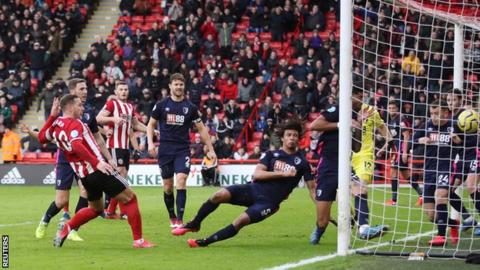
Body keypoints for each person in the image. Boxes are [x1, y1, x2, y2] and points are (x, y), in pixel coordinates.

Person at [171, 119, 315, 247]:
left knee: (240, 222)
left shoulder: (302, 162)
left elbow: (312, 189)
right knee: (218, 195)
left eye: (295, 135)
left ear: (298, 139)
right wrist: (283, 173)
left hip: (269, 203)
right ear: (283, 138)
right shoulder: (271, 155)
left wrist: (321, 206)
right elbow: (257, 174)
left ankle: (205, 242)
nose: (292, 138)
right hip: (252, 189)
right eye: (289, 135)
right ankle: (195, 224)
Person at [37, 94, 154, 248]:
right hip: (98, 171)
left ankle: (68, 227)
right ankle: (138, 241)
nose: (82, 108)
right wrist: (97, 162)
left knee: (95, 208)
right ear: (71, 107)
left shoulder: (56, 125)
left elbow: (41, 138)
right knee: (130, 198)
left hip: (84, 176)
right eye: (79, 105)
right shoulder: (75, 124)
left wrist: (52, 116)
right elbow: (78, 145)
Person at [30, 79, 115, 241]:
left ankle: (73, 229)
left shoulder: (88, 112)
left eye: (86, 88)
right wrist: (52, 116)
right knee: (61, 200)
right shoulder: (64, 113)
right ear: (72, 91)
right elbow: (44, 137)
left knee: (85, 191)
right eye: (81, 89)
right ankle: (45, 220)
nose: (85, 91)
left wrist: (109, 158)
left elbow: (98, 138)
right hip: (65, 158)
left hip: (84, 161)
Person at [146, 73, 217, 228]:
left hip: (182, 150)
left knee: (181, 181)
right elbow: (151, 124)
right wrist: (150, 143)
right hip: (165, 149)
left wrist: (210, 149)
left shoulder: (190, 108)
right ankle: (171, 216)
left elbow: (202, 128)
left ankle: (180, 219)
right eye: (176, 84)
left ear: (184, 87)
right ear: (170, 86)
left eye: (181, 84)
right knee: (168, 186)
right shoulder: (161, 105)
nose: (178, 87)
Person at [96, 81, 147, 219]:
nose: (124, 91)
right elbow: (98, 118)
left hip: (125, 148)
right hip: (114, 146)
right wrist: (113, 119)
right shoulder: (112, 104)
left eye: (125, 89)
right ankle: (115, 210)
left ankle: (111, 210)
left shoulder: (130, 107)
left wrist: (150, 129)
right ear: (116, 92)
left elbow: (135, 125)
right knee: (119, 176)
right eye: (121, 89)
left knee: (122, 178)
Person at [414, 100, 461, 246]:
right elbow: (413, 141)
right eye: (432, 113)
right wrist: (419, 140)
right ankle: (453, 224)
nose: (433, 117)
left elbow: (465, 145)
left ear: (446, 113)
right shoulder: (427, 126)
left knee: (440, 196)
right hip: (429, 170)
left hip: (445, 166)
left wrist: (458, 140)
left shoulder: (453, 126)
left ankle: (441, 236)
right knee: (432, 216)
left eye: (437, 113)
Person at [351, 86, 391, 239]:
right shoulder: (341, 110)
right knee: (343, 195)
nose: (360, 100)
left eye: (362, 96)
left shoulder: (370, 111)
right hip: (345, 156)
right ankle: (353, 220)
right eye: (357, 96)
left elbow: (382, 127)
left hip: (364, 155)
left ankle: (364, 228)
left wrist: (390, 141)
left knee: (361, 187)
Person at [446, 89, 480, 235]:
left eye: (453, 100)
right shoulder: (449, 119)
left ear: (460, 100)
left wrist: (458, 140)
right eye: (448, 100)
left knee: (471, 187)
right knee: (447, 190)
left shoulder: (467, 114)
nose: (451, 103)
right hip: (462, 158)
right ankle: (467, 218)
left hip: (475, 154)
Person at [385, 101, 423, 206]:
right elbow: (391, 137)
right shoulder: (390, 120)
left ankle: (394, 200)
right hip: (395, 150)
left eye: (393, 108)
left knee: (393, 172)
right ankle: (422, 195)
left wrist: (405, 152)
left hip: (401, 150)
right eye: (390, 108)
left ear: (397, 109)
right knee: (406, 175)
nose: (391, 110)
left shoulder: (400, 119)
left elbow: (406, 135)